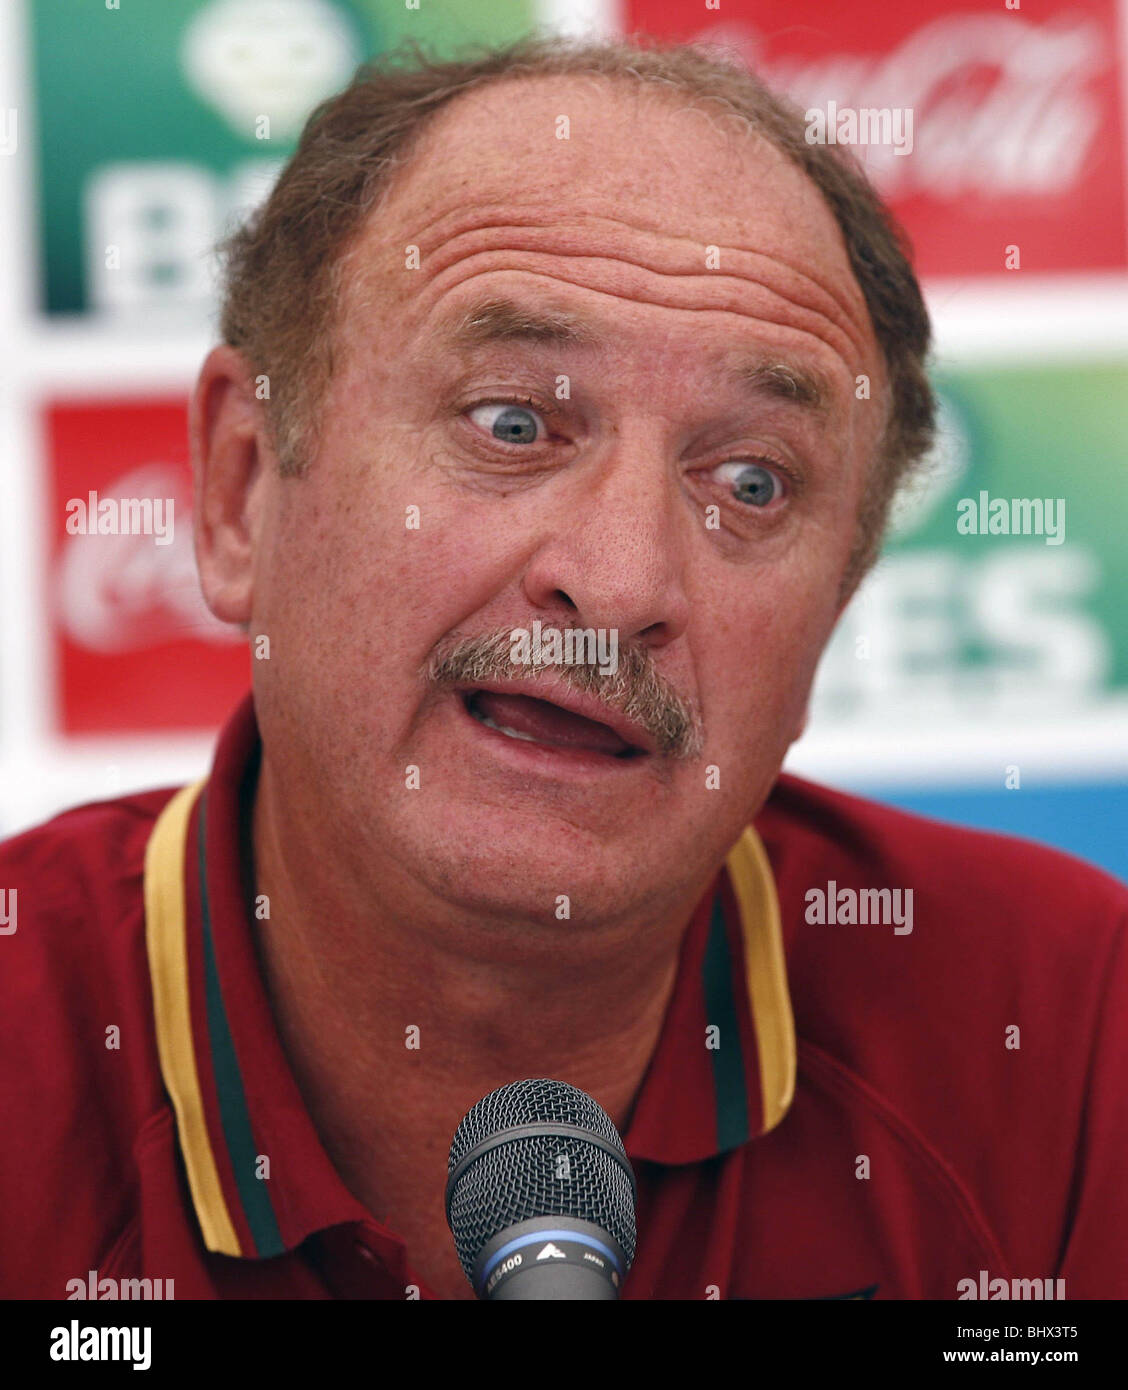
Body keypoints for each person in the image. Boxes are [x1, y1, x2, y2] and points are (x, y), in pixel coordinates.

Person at [1, 34, 1124, 1302]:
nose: (623, 579)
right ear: (241, 494)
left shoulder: (1068, 1026)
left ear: (833, 621)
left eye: (751, 482)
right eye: (515, 424)